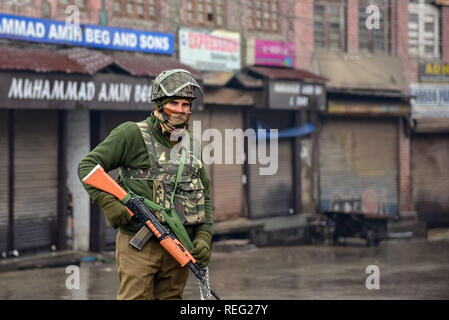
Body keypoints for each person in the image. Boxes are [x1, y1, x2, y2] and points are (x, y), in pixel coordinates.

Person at [78, 69, 212, 300]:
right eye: (175, 103)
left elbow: (205, 197)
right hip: (139, 243)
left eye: (186, 105)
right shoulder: (131, 134)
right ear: (159, 104)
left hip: (179, 246)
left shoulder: (192, 146)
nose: (182, 110)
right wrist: (109, 203)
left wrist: (204, 238)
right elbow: (88, 166)